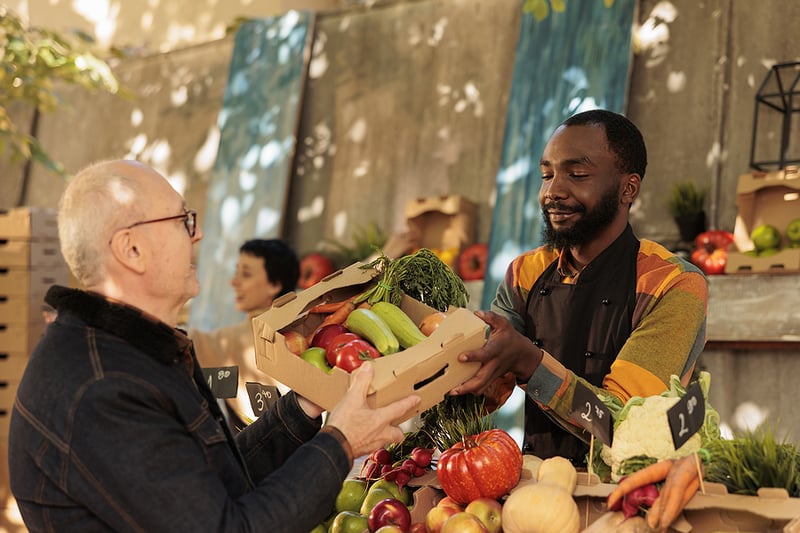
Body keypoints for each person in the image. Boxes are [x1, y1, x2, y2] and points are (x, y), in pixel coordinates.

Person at [8, 159, 420, 532]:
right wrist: (341, 442)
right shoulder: (104, 391)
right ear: (132, 249)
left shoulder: (130, 350)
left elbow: (218, 484)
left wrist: (302, 407)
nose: (198, 234)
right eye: (182, 220)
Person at [453, 109, 708, 466]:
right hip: (541, 482)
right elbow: (484, 388)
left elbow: (620, 426)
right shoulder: (525, 272)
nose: (553, 192)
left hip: (634, 485)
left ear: (628, 188)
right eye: (547, 175)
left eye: (578, 175)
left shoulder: (672, 283)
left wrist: (529, 362)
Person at [190, 238, 299, 431]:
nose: (234, 282)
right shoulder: (299, 329)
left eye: (246, 274)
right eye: (236, 273)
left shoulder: (238, 340)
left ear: (274, 284)